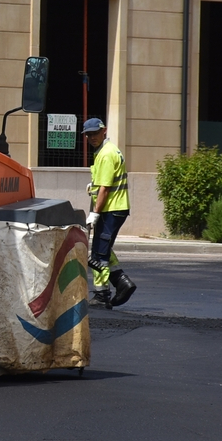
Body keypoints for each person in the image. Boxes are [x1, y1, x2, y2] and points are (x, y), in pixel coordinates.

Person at [83, 117, 136, 308]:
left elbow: (105, 188)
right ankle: (122, 283)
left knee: (99, 254)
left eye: (95, 133)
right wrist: (94, 186)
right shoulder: (109, 150)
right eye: (88, 134)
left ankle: (102, 294)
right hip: (116, 207)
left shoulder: (105, 154)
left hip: (111, 208)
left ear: (103, 130)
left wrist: (95, 213)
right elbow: (103, 183)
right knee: (102, 248)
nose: (92, 137)